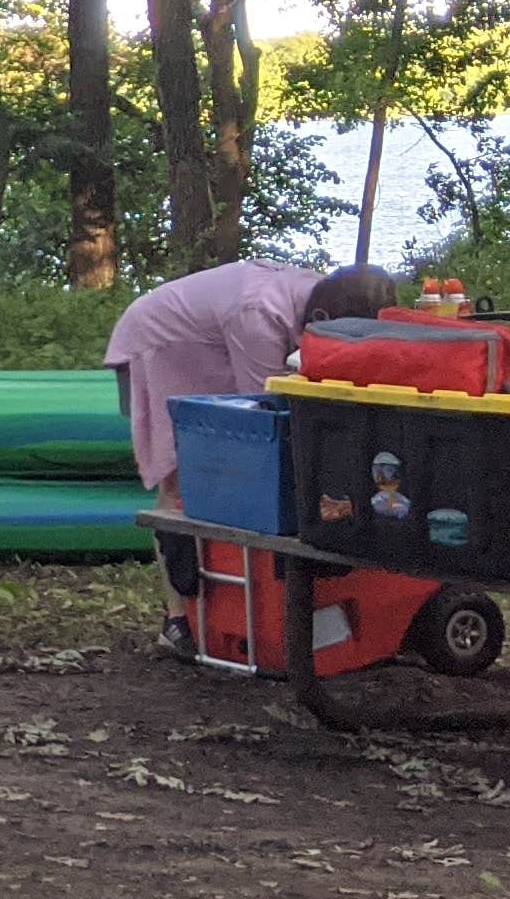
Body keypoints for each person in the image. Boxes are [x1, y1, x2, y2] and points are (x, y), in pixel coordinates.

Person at [106, 259, 403, 653]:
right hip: (160, 342)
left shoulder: (323, 293)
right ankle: (179, 619)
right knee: (181, 476)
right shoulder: (258, 314)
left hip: (211, 342)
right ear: (320, 317)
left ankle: (235, 602)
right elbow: (263, 408)